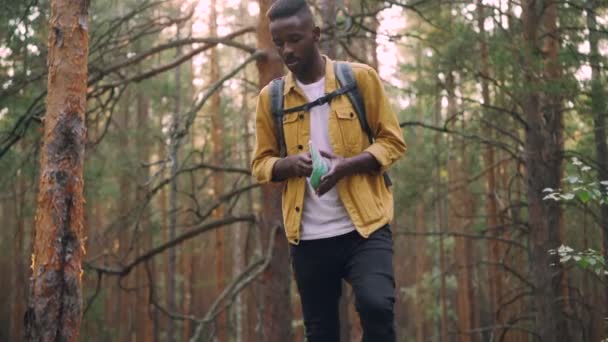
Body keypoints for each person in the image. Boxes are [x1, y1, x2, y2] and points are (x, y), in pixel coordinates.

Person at [251, 0, 406, 341]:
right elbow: (260, 164)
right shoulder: (271, 99)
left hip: (364, 227)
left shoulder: (359, 80)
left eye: (295, 39)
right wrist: (286, 165)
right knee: (321, 331)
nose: (287, 50)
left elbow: (393, 142)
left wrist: (346, 166)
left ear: (316, 34)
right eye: (279, 44)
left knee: (377, 307)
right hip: (308, 238)